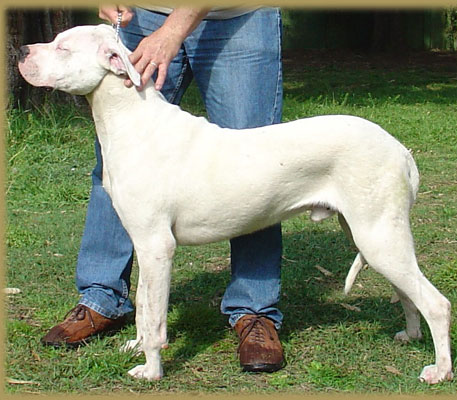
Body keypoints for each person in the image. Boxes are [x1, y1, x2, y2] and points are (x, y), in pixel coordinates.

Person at [42, 5, 285, 373]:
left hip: (238, 16)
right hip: (143, 15)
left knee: (256, 166)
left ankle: (254, 312)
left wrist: (173, 31)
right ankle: (102, 297)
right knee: (122, 162)